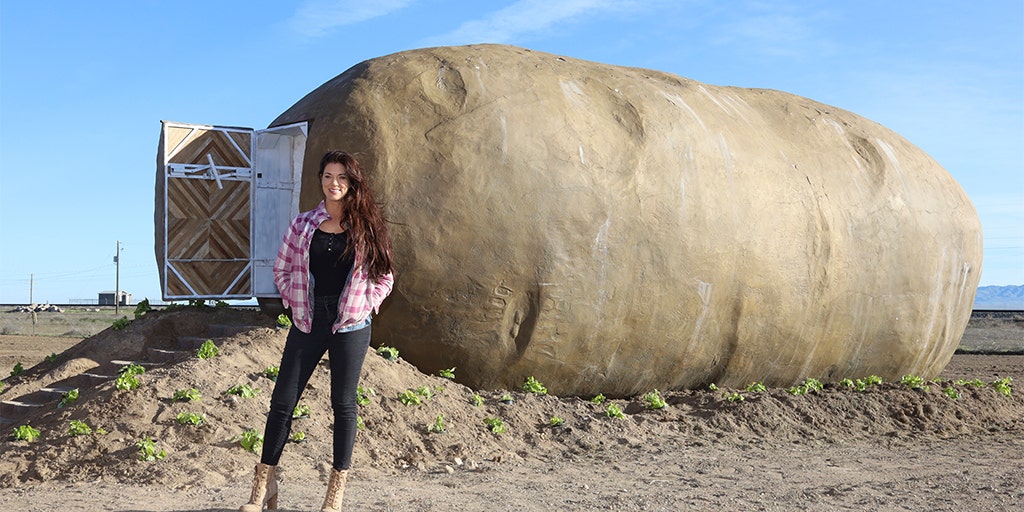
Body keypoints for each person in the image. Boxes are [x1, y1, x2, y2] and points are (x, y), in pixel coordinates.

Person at [240, 150, 395, 512]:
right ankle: (264, 487)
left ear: (352, 183)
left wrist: (366, 304)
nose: (334, 183)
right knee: (282, 403)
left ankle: (334, 495)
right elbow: (282, 269)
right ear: (320, 180)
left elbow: (385, 276)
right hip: (308, 320)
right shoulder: (302, 224)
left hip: (350, 324)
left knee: (343, 405)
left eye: (341, 177)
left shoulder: (367, 227)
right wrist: (295, 304)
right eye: (328, 176)